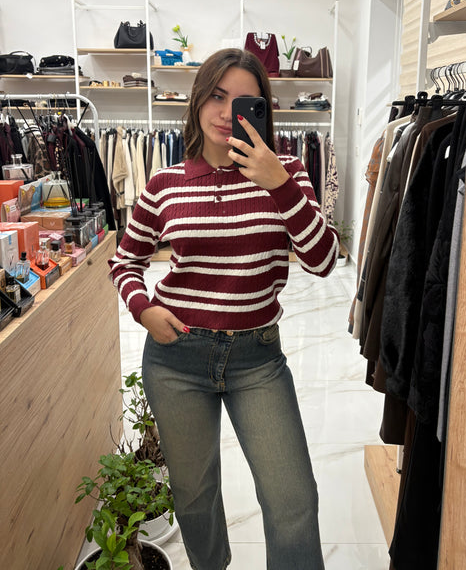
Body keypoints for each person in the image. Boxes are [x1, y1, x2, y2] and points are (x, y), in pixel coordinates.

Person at [109, 48, 339, 570]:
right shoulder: (165, 184)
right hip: (176, 358)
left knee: (293, 501)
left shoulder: (289, 173)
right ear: (197, 100)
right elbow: (125, 261)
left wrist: (278, 184)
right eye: (216, 96)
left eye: (241, 102)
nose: (224, 112)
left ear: (260, 112)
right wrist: (143, 309)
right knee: (195, 502)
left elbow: (324, 261)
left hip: (257, 360)